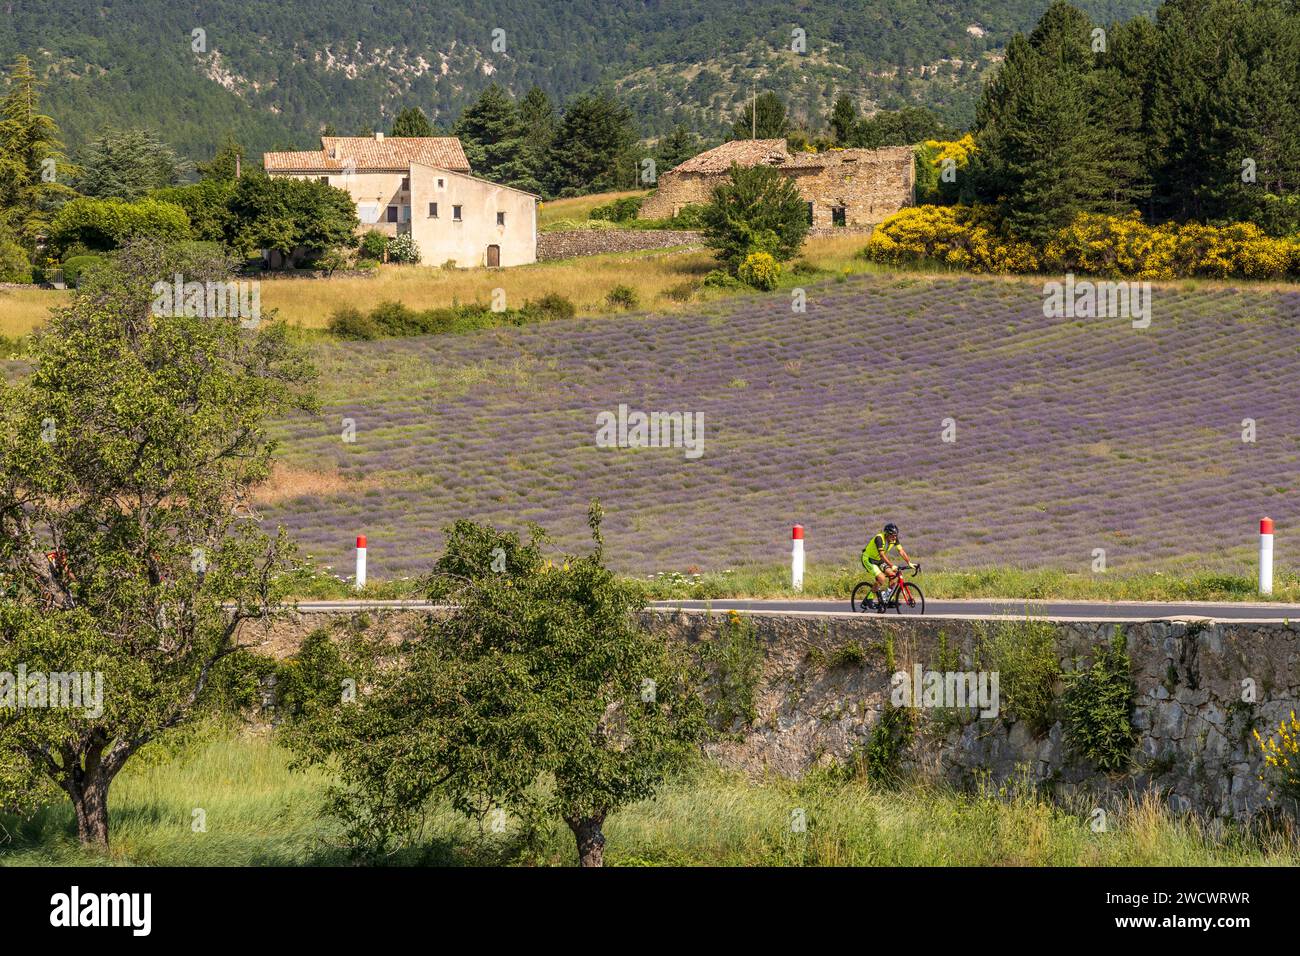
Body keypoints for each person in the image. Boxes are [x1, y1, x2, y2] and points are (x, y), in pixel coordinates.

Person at [861, 523, 912, 611]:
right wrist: (892, 565)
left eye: (895, 536)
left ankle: (887, 598)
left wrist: (909, 562)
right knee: (881, 578)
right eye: (892, 536)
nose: (894, 538)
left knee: (893, 575)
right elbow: (882, 555)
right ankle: (868, 599)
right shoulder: (879, 538)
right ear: (887, 534)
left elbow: (901, 551)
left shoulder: (894, 539)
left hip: (878, 560)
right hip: (868, 559)